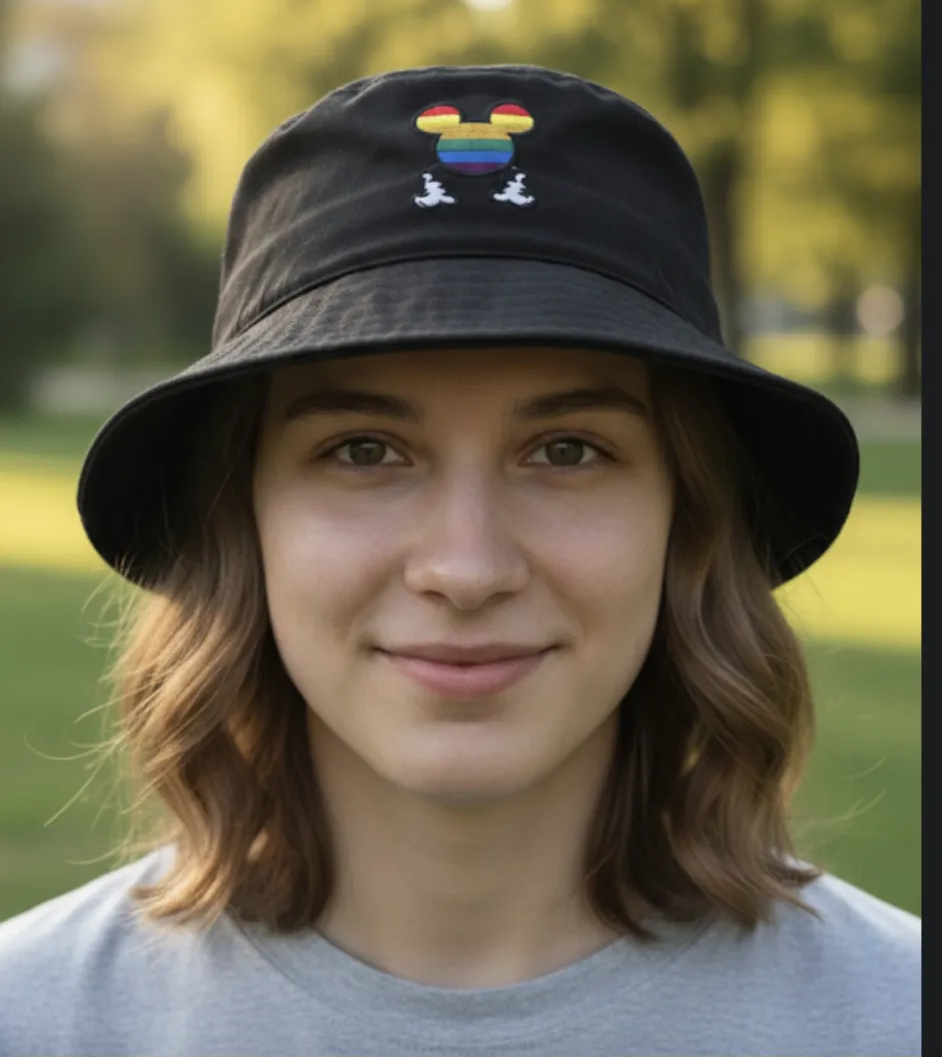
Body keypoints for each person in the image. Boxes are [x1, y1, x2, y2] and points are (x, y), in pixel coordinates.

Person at [0, 65, 920, 1056]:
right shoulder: (38, 1017)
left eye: (568, 449)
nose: (467, 566)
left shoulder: (895, 1016)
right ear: (241, 519)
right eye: (363, 449)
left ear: (687, 517)